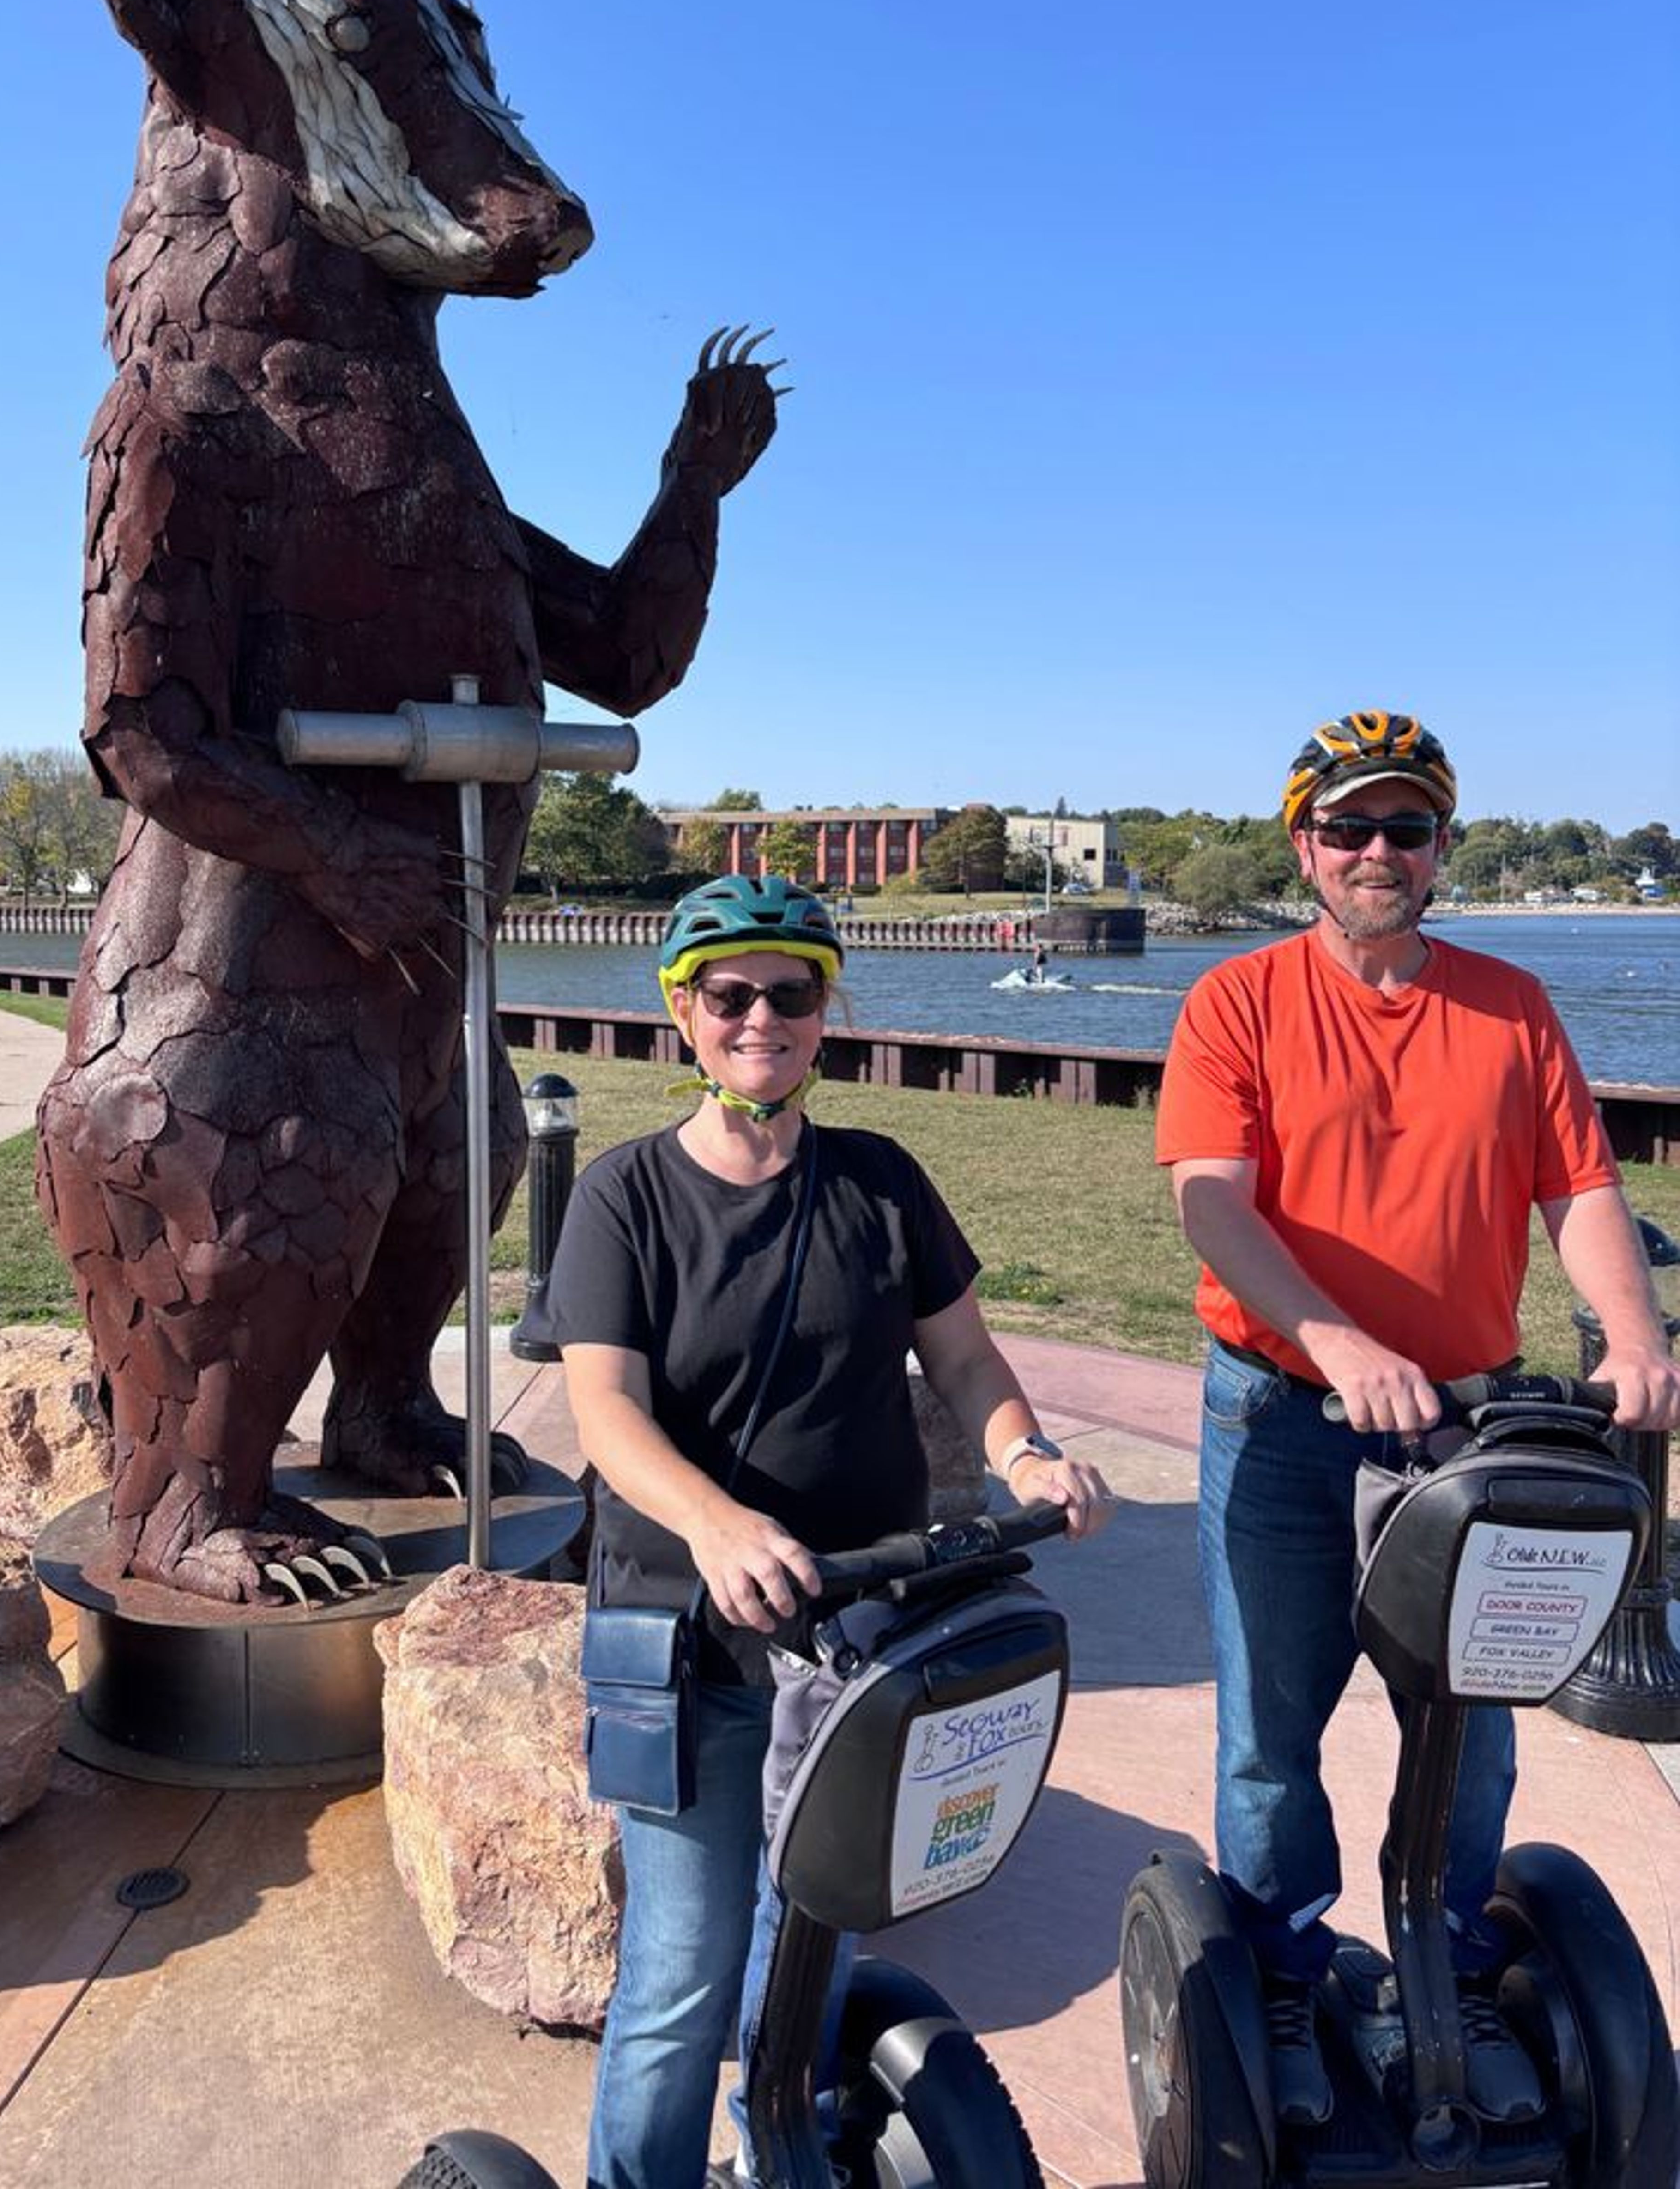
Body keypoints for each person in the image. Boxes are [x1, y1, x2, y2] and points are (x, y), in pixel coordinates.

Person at [547, 873, 1116, 2189]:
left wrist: (1025, 1455)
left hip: (859, 1643)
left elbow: (965, 1360)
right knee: (682, 1970)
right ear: (683, 1014)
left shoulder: (879, 1179)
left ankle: (777, 2159)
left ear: (825, 1013)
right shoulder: (626, 1197)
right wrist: (716, 1524)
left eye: (791, 993)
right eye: (730, 995)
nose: (762, 1018)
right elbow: (606, 1413)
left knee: (812, 1945)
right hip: (690, 1642)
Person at [1156, 709, 1680, 2130]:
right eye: (1349, 827)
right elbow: (1213, 1201)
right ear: (1304, 849)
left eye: (1406, 827)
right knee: (1272, 1729)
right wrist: (1336, 1339)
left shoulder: (1512, 1007)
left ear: (1443, 848)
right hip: (1282, 1420)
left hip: (1466, 1432)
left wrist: (1634, 1335)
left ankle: (1442, 1974)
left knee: (1472, 1733)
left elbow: (1580, 1189)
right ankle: (1280, 1972)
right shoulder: (1238, 1003)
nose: (1377, 851)